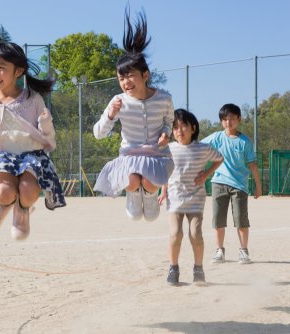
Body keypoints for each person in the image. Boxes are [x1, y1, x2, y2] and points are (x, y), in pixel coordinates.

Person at [0, 42, 66, 240]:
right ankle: (3, 204)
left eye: (1, 68)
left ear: (18, 71)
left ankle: (23, 209)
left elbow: (49, 142)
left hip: (30, 158)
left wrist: (46, 124)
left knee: (27, 192)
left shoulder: (33, 100)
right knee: (5, 193)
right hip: (0, 160)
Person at [93, 9, 174, 221]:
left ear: (145, 75)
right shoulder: (118, 101)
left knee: (147, 182)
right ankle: (133, 195)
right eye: (121, 78)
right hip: (129, 155)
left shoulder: (164, 98)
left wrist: (167, 134)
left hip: (156, 155)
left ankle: (149, 195)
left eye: (130, 76)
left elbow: (169, 120)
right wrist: (110, 116)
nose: (126, 82)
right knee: (131, 181)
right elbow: (98, 134)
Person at [158, 109, 224, 285]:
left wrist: (206, 174)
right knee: (175, 233)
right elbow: (165, 170)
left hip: (196, 198)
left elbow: (219, 159)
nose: (180, 131)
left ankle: (198, 268)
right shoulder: (168, 149)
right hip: (174, 198)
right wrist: (163, 190)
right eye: (176, 128)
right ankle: (173, 268)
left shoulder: (203, 148)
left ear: (193, 128)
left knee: (195, 234)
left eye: (184, 126)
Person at [201, 103, 262, 264]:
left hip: (240, 186)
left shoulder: (245, 141)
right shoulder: (216, 137)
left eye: (232, 119)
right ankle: (219, 250)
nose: (228, 122)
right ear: (221, 121)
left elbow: (253, 165)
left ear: (239, 119)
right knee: (218, 219)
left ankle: (243, 251)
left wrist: (258, 186)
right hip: (218, 182)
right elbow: (199, 147)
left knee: (241, 220)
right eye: (225, 119)